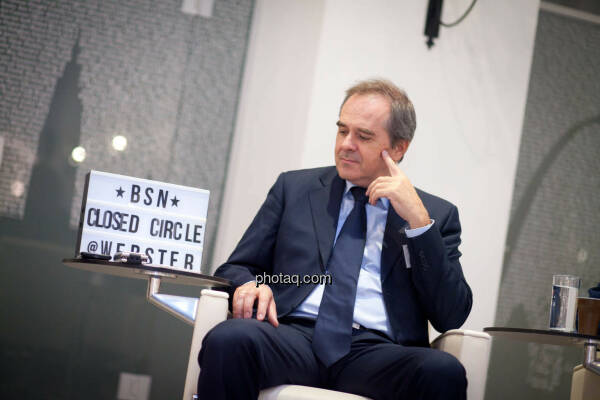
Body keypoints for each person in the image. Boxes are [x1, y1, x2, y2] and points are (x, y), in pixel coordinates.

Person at [197, 79, 472, 400]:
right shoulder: (295, 189)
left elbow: (450, 315)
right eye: (342, 131)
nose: (346, 144)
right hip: (292, 337)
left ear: (399, 148)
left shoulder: (435, 215)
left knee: (443, 371)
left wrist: (419, 224)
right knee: (229, 339)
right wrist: (249, 285)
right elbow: (235, 267)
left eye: (363, 136)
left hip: (378, 353)